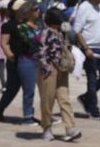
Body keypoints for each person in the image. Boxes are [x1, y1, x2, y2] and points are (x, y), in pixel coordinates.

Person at [38, 8, 81, 142]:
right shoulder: (45, 33)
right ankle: (46, 129)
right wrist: (47, 68)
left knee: (64, 99)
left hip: (62, 70)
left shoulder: (61, 32)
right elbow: (41, 53)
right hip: (49, 71)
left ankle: (70, 128)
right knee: (47, 101)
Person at [73, 0, 100, 120]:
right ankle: (93, 109)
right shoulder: (83, 8)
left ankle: (86, 97)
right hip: (89, 48)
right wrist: (86, 48)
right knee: (92, 79)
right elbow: (77, 31)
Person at [0, 0, 26, 122]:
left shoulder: (26, 23)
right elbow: (4, 43)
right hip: (15, 60)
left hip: (27, 60)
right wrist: (10, 56)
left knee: (28, 89)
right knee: (12, 88)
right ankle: (0, 110)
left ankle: (28, 114)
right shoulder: (9, 25)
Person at [15, 1, 43, 126]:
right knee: (29, 90)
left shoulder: (40, 25)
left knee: (44, 90)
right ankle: (27, 117)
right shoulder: (22, 27)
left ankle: (42, 115)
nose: (39, 11)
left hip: (40, 60)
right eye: (36, 9)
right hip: (27, 60)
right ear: (29, 11)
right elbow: (31, 42)